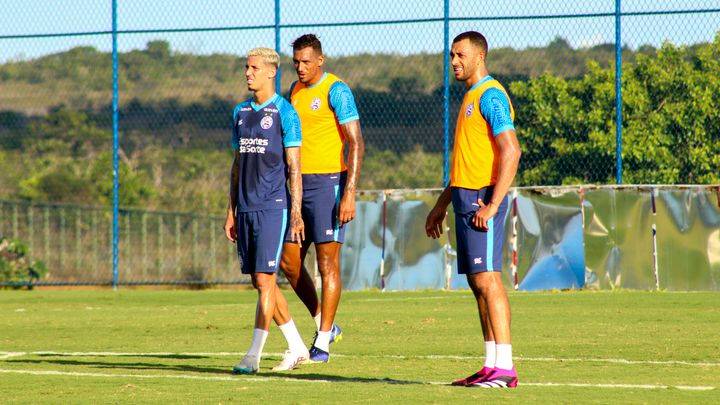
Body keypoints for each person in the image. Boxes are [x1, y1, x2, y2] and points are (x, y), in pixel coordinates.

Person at [425, 31, 522, 388]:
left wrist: (494, 203)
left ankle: (506, 369)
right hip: (464, 198)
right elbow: (466, 162)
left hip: (483, 199)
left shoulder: (491, 96)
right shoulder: (470, 97)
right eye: (451, 55)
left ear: (479, 57)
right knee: (476, 283)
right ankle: (490, 365)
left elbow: (511, 150)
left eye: (460, 55)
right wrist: (441, 204)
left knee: (488, 279)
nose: (454, 61)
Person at [273, 33, 364, 363]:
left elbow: (355, 143)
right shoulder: (294, 92)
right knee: (288, 261)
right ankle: (324, 322)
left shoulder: (336, 90)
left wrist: (349, 193)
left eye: (306, 61)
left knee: (327, 264)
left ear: (320, 61)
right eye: (296, 61)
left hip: (330, 185)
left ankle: (322, 342)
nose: (300, 67)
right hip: (296, 186)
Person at [224, 47, 308, 374]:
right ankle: (298, 346)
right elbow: (235, 166)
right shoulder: (240, 113)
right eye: (246, 67)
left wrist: (297, 212)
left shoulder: (285, 113)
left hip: (273, 207)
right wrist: (231, 210)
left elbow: (295, 168)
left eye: (254, 68)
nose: (248, 73)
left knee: (265, 278)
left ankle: (253, 356)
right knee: (263, 284)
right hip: (244, 208)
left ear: (271, 72)